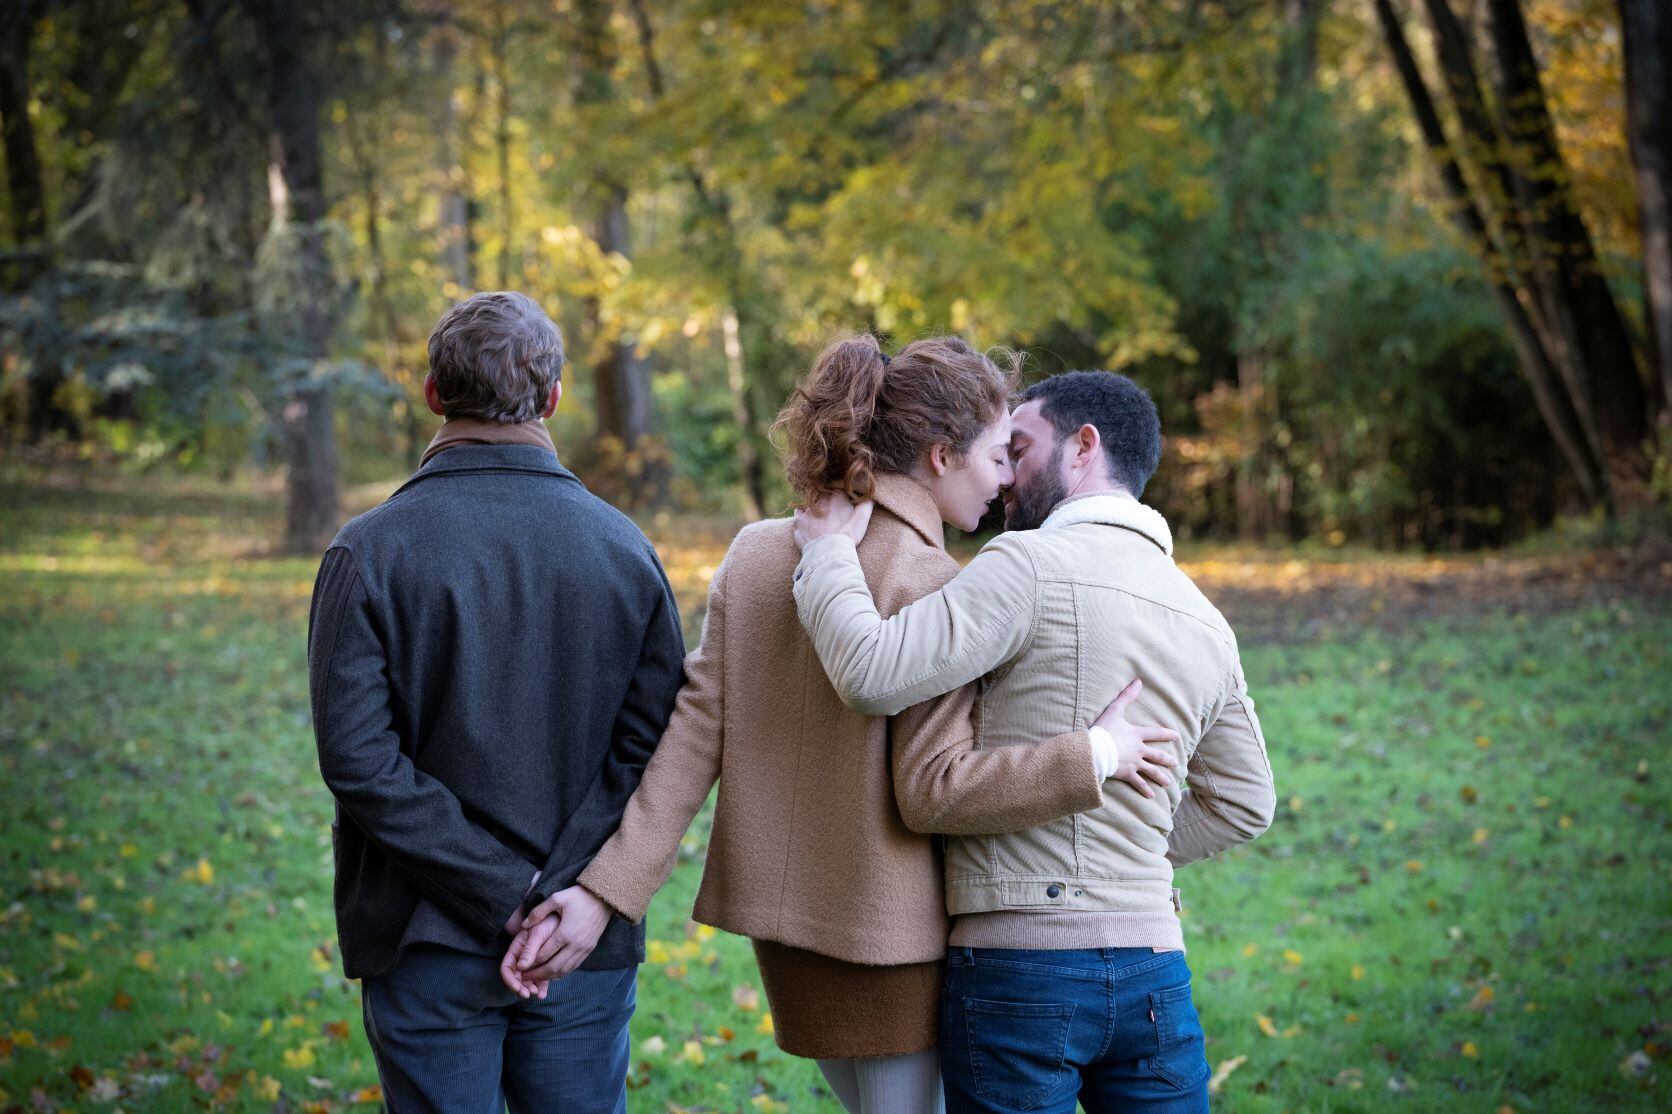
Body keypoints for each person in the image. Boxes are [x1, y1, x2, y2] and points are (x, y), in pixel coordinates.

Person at [504, 336, 1178, 1114]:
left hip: (786, 943)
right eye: (996, 456)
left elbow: (690, 740)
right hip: (895, 946)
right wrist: (1094, 756)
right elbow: (941, 786)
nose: (1004, 481)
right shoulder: (936, 582)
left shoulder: (758, 553)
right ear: (938, 455)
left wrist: (608, 890)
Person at [790, 370, 1277, 1113]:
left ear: (1085, 446)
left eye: (1019, 448)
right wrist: (1133, 852)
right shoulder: (1204, 616)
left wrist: (826, 555)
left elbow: (871, 672)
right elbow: (1246, 802)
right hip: (1154, 968)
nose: (1006, 476)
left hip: (1019, 971)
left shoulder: (1026, 567)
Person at [307, 291, 685, 1114]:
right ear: (552, 400)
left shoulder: (367, 551)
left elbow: (358, 762)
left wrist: (507, 893)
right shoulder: (626, 550)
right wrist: (564, 897)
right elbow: (655, 752)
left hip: (428, 931)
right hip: (577, 935)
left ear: (434, 395)